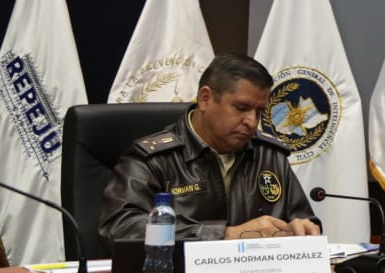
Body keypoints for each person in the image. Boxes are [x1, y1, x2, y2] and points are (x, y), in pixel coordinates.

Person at [99, 53, 322, 247]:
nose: (252, 122)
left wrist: (303, 229)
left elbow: (303, 220)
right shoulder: (153, 159)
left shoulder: (270, 155)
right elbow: (119, 228)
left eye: (259, 112)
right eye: (241, 108)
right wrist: (226, 235)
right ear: (205, 99)